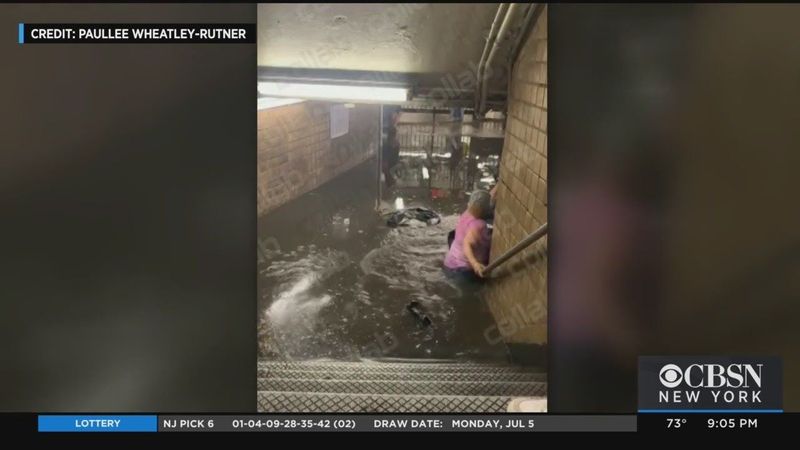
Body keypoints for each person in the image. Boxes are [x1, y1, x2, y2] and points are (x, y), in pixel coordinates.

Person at [443, 190, 493, 280]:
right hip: (462, 270)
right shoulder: (478, 225)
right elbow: (467, 244)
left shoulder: (466, 214)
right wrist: (475, 264)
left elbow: (484, 198)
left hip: (450, 263)